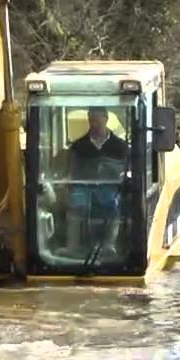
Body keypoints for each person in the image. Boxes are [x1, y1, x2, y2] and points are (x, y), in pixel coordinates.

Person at [64, 106, 128, 257]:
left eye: (97, 120)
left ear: (106, 119)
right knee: (75, 203)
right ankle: (72, 246)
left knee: (114, 203)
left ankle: (109, 244)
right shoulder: (78, 146)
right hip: (83, 187)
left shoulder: (120, 146)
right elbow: (72, 171)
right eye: (91, 120)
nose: (94, 124)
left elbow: (125, 170)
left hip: (109, 187)